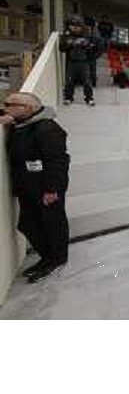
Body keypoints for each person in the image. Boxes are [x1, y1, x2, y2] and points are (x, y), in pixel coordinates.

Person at [0, 92, 70, 282]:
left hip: (46, 189)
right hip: (27, 187)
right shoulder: (22, 123)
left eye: (9, 104)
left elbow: (58, 162)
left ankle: (57, 259)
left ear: (29, 109)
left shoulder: (47, 129)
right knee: (28, 224)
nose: (5, 107)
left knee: (52, 225)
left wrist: (52, 190)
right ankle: (47, 257)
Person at [60, 24, 95, 106]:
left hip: (83, 62)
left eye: (77, 26)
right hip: (71, 61)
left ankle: (89, 98)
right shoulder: (66, 37)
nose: (75, 28)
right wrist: (71, 44)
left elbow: (92, 48)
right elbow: (61, 48)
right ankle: (68, 98)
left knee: (87, 80)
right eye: (73, 26)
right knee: (69, 80)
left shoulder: (85, 36)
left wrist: (85, 45)